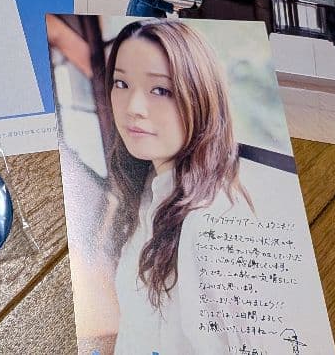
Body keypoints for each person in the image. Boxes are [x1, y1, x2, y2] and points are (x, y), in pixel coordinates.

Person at [104, 20, 253, 353]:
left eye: (160, 90)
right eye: (121, 83)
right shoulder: (149, 187)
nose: (133, 108)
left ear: (200, 99)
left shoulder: (208, 221)